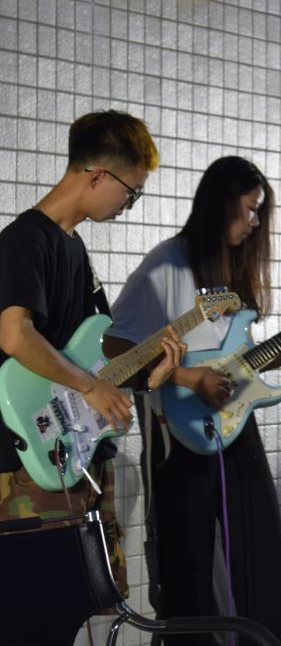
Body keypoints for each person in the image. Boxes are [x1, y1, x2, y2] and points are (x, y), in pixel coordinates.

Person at [103, 156, 281, 646]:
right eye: (250, 208)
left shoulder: (231, 270)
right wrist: (185, 376)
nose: (256, 222)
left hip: (234, 425)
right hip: (175, 431)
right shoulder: (166, 263)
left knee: (260, 547)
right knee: (188, 561)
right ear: (222, 205)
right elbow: (114, 347)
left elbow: (230, 366)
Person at [0, 110, 182, 598]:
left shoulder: (75, 249)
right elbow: (15, 336)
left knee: (83, 602)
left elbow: (91, 356)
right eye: (131, 191)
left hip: (76, 454)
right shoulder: (24, 241)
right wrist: (90, 386)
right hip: (29, 461)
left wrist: (145, 377)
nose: (129, 204)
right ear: (98, 175)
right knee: (35, 607)